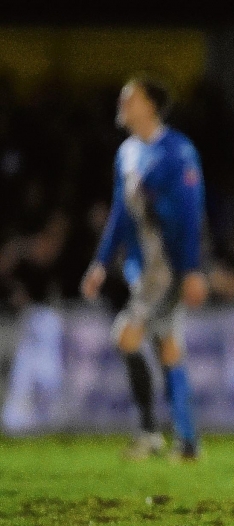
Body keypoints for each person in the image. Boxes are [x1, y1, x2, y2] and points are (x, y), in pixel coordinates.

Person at [80, 75, 208, 461]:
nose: (123, 105)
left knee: (127, 336)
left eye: (130, 98)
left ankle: (150, 433)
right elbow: (121, 213)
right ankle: (186, 442)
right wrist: (101, 262)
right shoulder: (127, 153)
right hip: (144, 268)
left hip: (168, 268)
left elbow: (190, 214)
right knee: (166, 344)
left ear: (151, 105)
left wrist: (192, 269)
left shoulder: (177, 151)